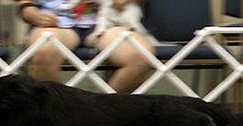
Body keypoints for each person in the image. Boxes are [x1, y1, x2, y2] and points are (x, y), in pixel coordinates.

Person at [15, 0, 154, 93]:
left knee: (141, 55)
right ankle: (58, 116)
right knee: (44, 51)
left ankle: (102, 112)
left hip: (108, 22)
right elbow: (24, 4)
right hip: (54, 23)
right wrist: (31, 13)